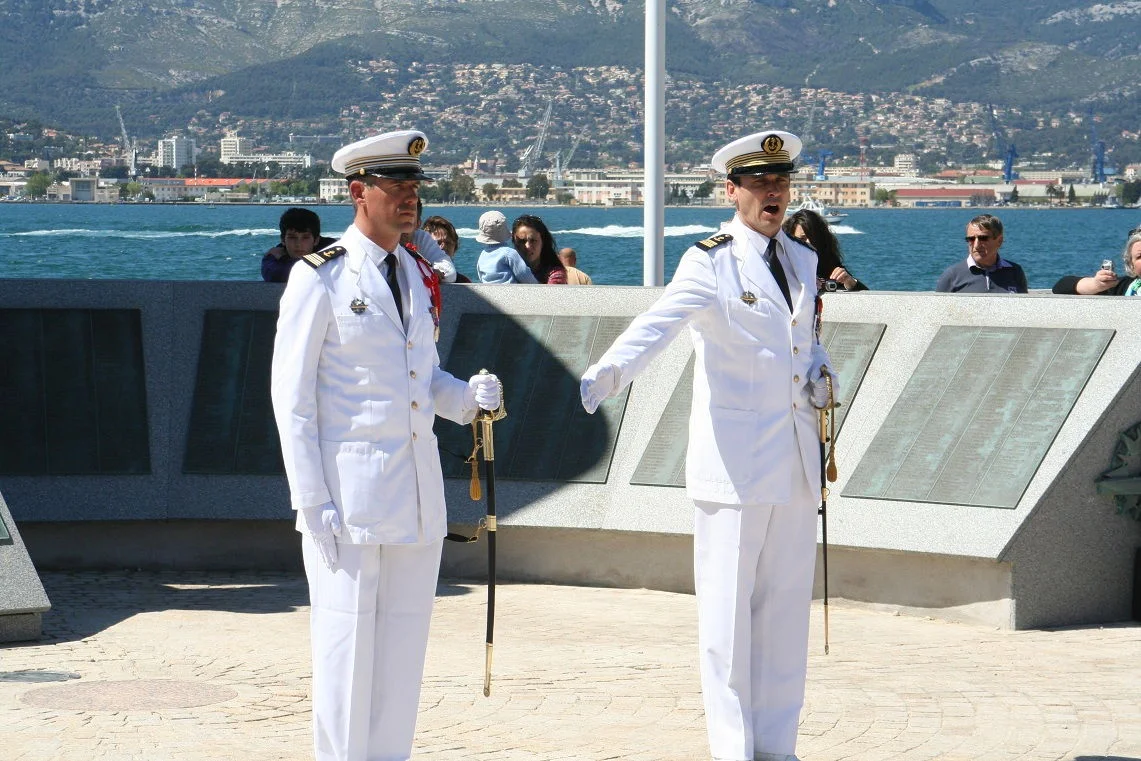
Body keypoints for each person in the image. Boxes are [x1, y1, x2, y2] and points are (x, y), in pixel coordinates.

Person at [579, 130, 836, 761]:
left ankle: (779, 748)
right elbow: (659, 323)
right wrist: (604, 374)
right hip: (735, 467)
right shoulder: (710, 261)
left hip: (797, 463)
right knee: (726, 623)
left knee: (783, 618)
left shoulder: (802, 262)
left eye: (781, 183)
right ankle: (734, 750)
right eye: (760, 185)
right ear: (733, 191)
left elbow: (803, 344)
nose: (773, 194)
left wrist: (823, 373)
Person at [270, 128, 503, 761]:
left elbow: (420, 381)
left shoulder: (418, 274)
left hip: (417, 497)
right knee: (346, 659)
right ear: (357, 192)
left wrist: (465, 398)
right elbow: (290, 401)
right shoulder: (319, 278)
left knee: (402, 659)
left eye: (414, 187)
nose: (409, 198)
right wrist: (309, 498)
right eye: (395, 185)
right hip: (346, 501)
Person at [935, 214, 1028, 293]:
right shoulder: (952, 276)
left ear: (999, 241)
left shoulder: (1015, 272)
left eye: (983, 238)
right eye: (971, 239)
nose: (976, 245)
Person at [782, 208, 867, 291]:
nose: (809, 242)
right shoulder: (781, 262)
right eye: (802, 239)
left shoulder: (828, 263)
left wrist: (850, 282)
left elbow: (867, 298)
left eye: (813, 238)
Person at [1052, 227, 1141, 296]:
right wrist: (1097, 284)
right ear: (1131, 264)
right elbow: (1061, 286)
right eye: (1139, 256)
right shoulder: (1123, 287)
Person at [261, 207, 336, 283]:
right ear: (283, 240)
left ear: (316, 240)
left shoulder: (335, 251)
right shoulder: (273, 256)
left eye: (305, 237)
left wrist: (283, 258)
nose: (298, 244)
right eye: (292, 237)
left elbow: (310, 275)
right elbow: (275, 275)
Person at [401, 199, 458, 283]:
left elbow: (449, 273)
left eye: (408, 219)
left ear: (418, 224)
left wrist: (429, 272)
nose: (402, 225)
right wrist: (424, 272)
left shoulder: (421, 238)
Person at [475, 210, 538, 284]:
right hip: (510, 292)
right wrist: (538, 285)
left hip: (488, 293)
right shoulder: (509, 253)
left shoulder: (483, 255)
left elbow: (481, 276)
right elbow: (524, 275)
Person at [513, 214, 568, 284]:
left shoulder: (555, 275)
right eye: (522, 241)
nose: (528, 246)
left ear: (543, 242)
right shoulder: (506, 271)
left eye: (533, 241)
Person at [422, 214, 471, 283]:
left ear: (455, 248)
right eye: (437, 243)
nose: (443, 247)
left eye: (448, 243)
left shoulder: (464, 282)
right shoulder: (415, 278)